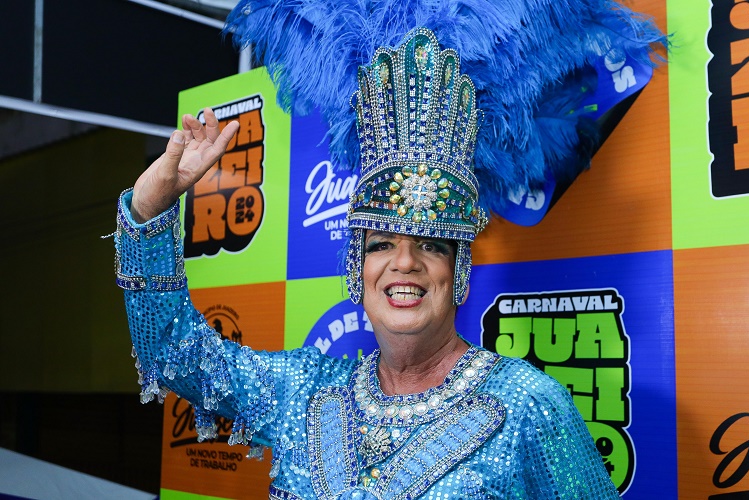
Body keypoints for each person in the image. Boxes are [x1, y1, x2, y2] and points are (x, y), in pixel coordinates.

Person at [115, 3, 664, 498]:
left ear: (459, 269)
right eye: (382, 243)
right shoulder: (304, 394)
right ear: (357, 267)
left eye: (430, 243)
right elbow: (174, 354)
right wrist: (149, 208)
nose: (405, 263)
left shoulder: (528, 407)